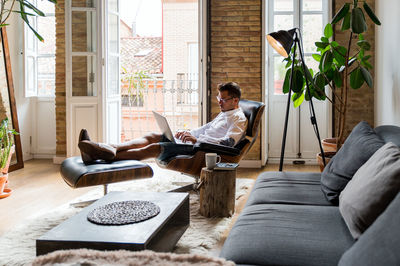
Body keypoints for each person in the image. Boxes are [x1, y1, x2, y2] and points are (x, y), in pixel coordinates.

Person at [78, 82, 248, 164]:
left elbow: (228, 143)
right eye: (219, 98)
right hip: (195, 143)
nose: (219, 102)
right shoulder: (225, 113)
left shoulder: (238, 118)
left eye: (223, 99)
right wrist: (187, 133)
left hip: (201, 150)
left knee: (153, 148)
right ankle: (108, 147)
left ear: (235, 100)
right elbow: (205, 129)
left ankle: (96, 157)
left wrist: (197, 141)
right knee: (153, 136)